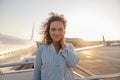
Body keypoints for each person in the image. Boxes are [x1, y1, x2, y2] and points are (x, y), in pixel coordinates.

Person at [33, 12, 79, 80]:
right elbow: (37, 72)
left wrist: (63, 46)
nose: (57, 33)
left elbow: (73, 63)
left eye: (60, 29)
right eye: (53, 29)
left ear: (64, 31)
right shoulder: (41, 49)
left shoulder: (69, 47)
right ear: (49, 31)